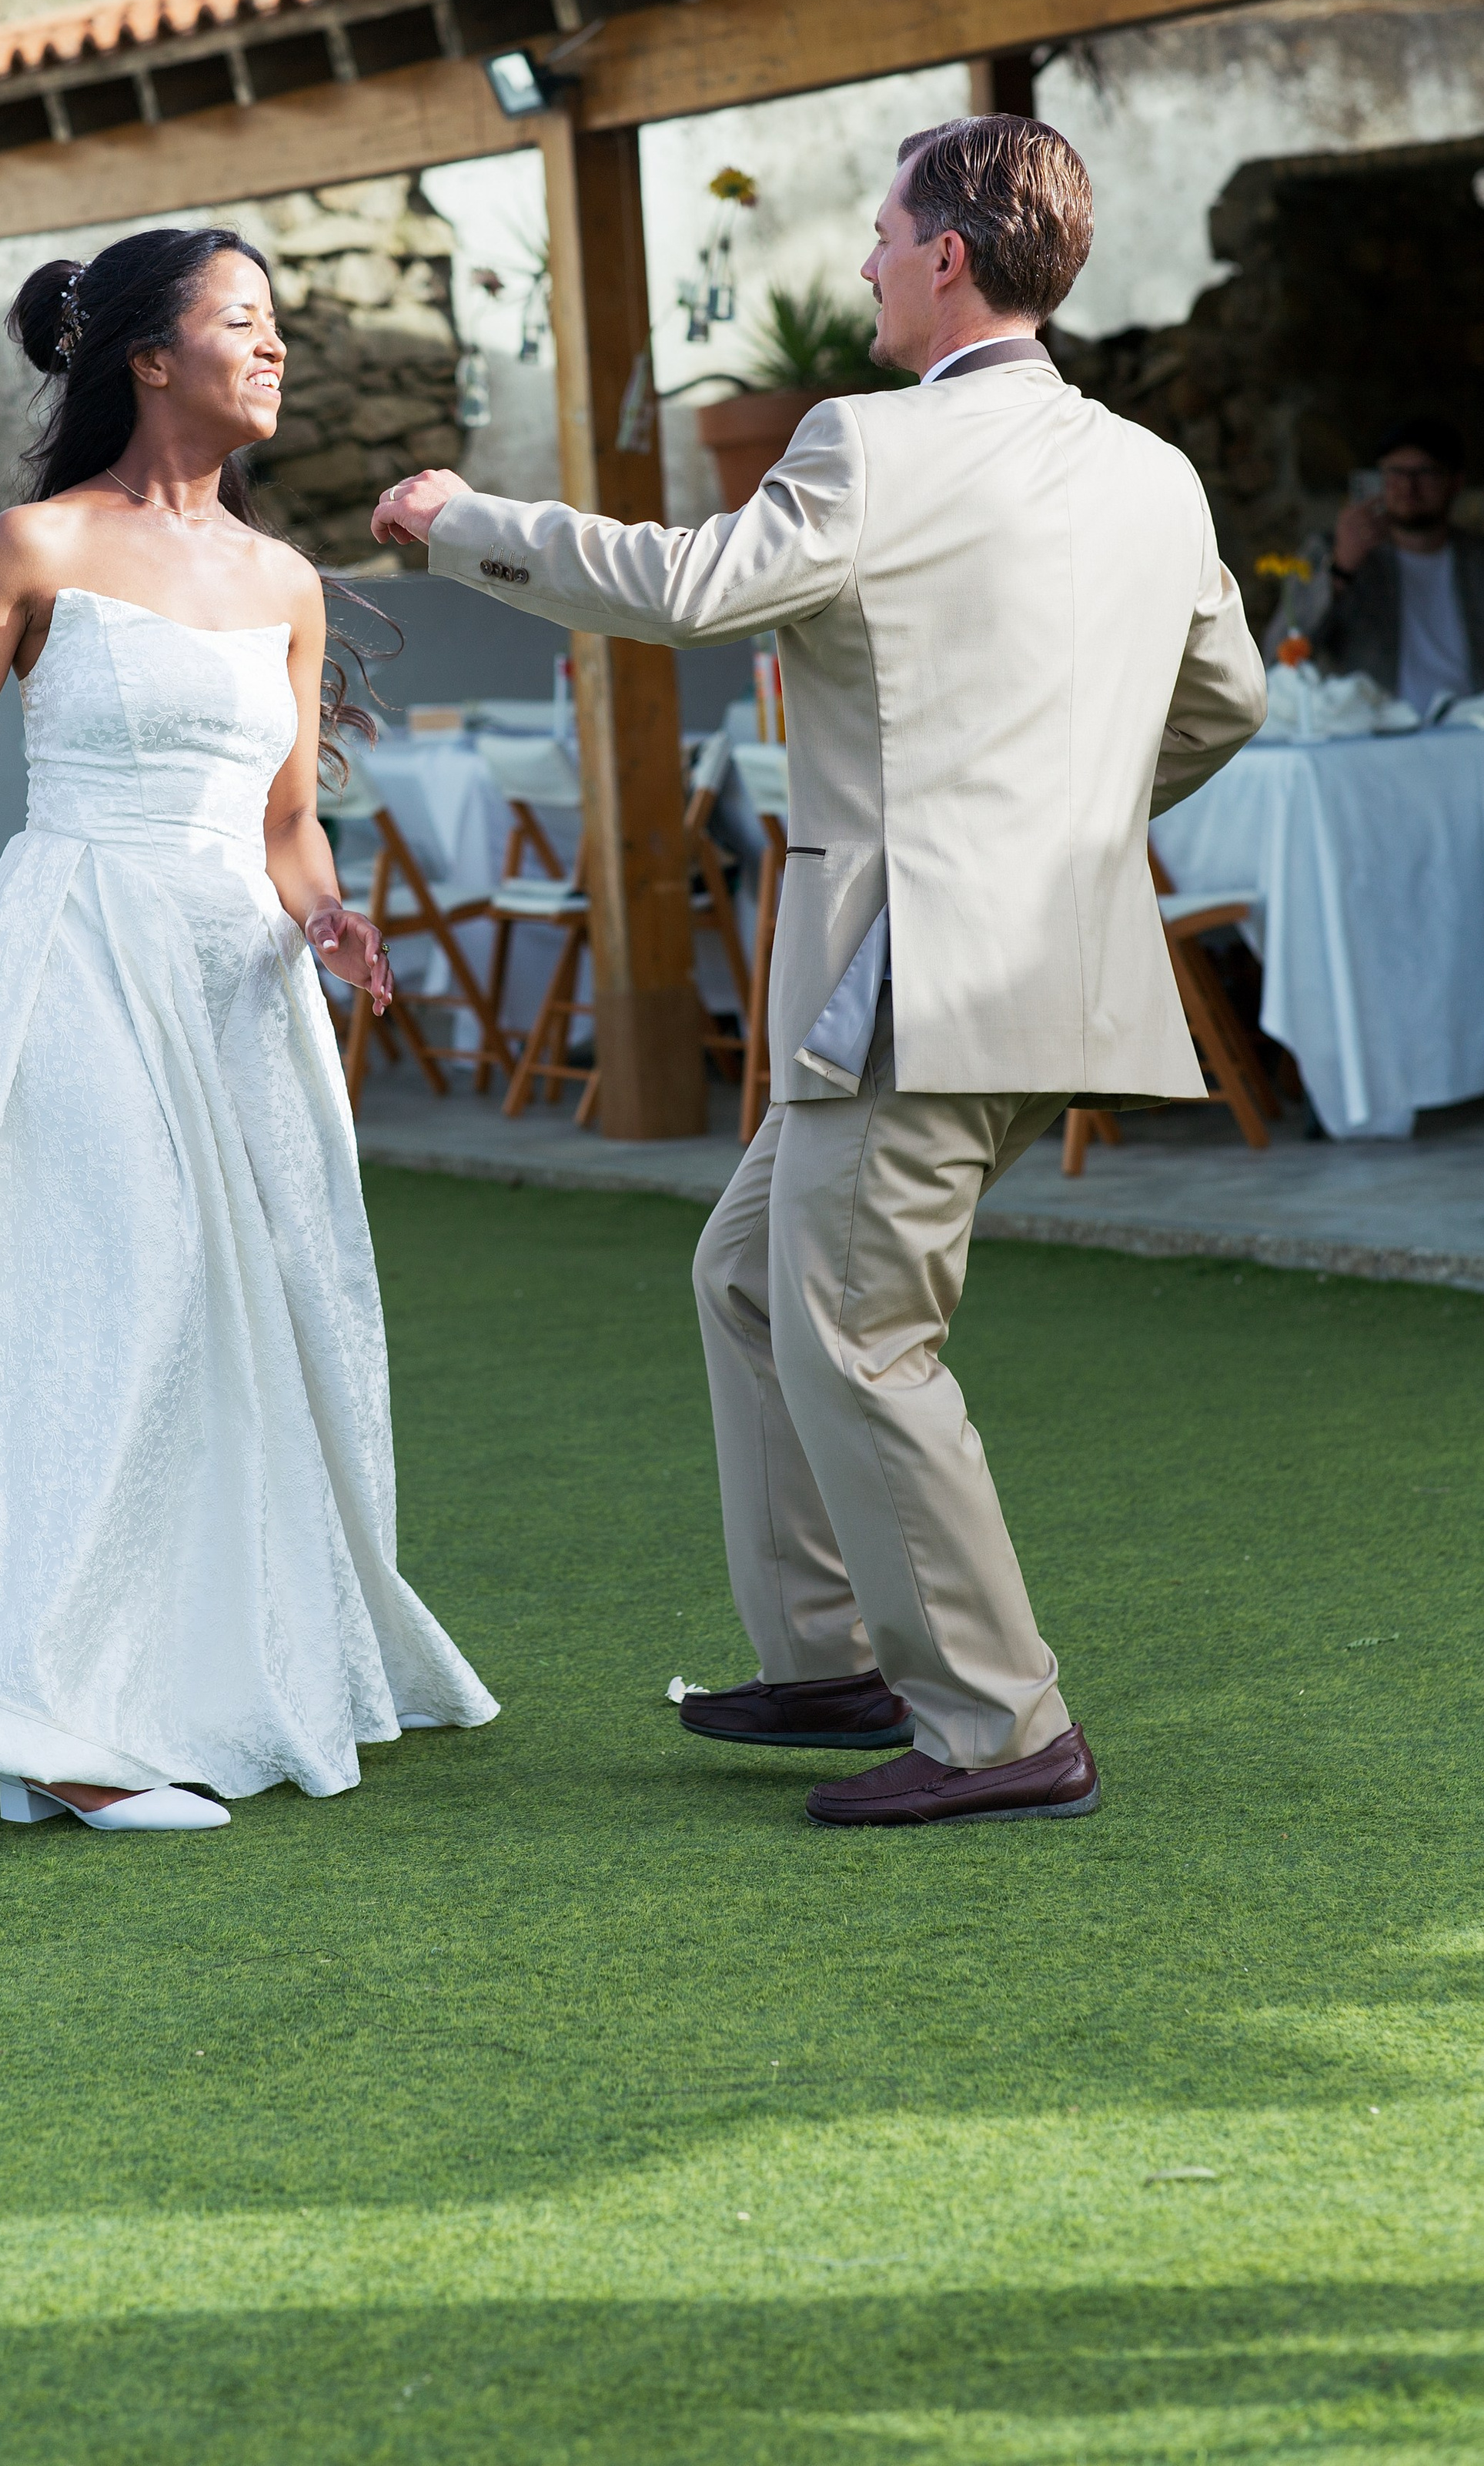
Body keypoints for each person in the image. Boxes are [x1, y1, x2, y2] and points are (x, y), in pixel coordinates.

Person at [373, 116, 1265, 1832]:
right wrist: (1068, 814)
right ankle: (833, 1657)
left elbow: (689, 588)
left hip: (908, 977)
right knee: (747, 1275)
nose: (859, 263)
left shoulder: (865, 444)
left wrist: (462, 520)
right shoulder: (1153, 471)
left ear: (945, 256)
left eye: (876, 234)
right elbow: (1222, 701)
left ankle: (1003, 1730)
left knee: (858, 1335)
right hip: (1036, 965)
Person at [0, 227, 496, 1835]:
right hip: (79, 950)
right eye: (242, 324)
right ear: (147, 356)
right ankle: (49, 1726)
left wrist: (327, 918)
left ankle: (167, 1686)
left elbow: (285, 825)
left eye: (279, 327)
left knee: (249, 1316)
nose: (276, 351)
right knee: (104, 1305)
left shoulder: (283, 583)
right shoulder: (34, 545)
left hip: (239, 986)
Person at [1314, 415, 1484, 717]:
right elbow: (1284, 650)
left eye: (1425, 474)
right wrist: (1340, 569)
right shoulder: (1336, 552)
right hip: (1377, 729)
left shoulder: (1475, 557)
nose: (1409, 488)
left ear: (1455, 482)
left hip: (1469, 728)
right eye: (1395, 473)